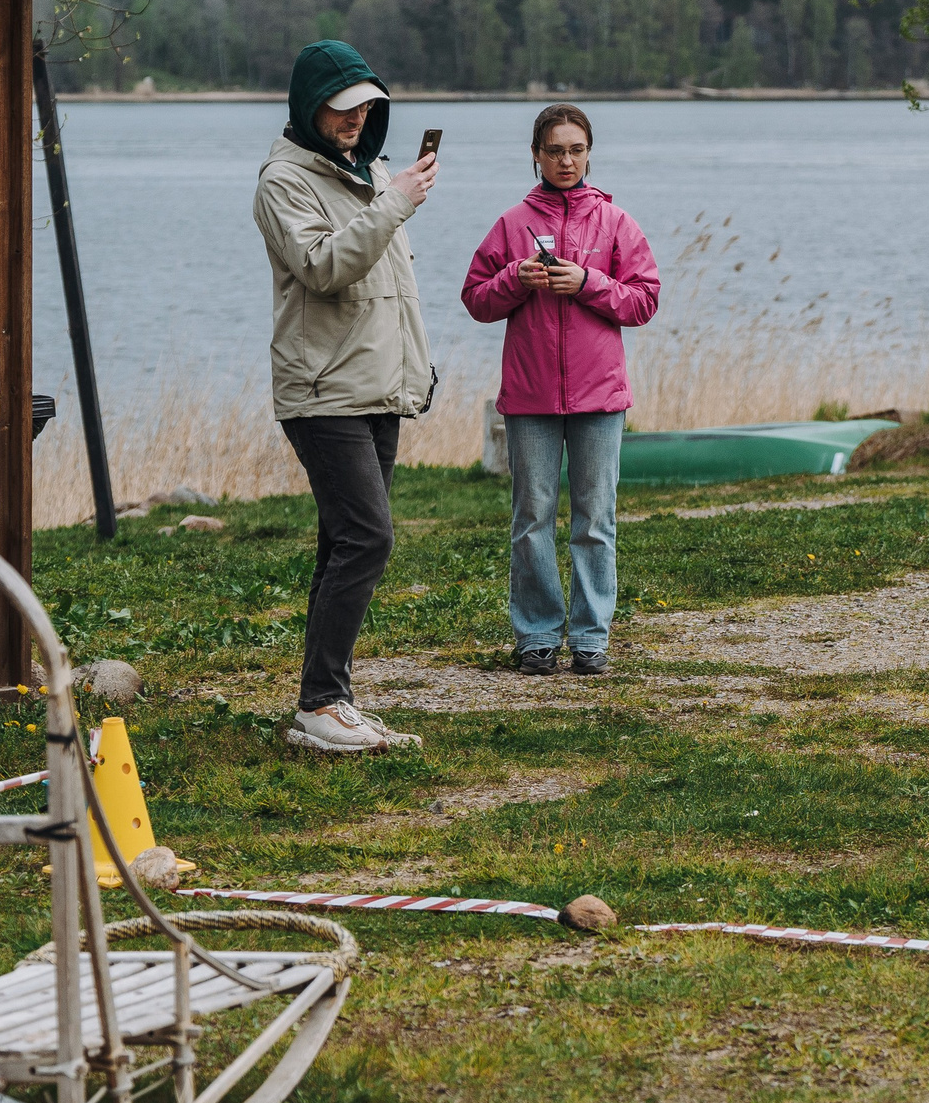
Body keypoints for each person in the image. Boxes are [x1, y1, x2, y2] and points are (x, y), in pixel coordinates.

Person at [254, 40, 439, 754]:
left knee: (342, 543)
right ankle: (321, 702)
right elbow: (325, 268)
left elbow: (391, 295)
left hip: (377, 388)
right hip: (323, 391)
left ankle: (328, 701)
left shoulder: (371, 173)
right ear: (310, 108)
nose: (356, 119)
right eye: (341, 108)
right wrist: (394, 204)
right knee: (369, 536)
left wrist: (415, 374)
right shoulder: (283, 183)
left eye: (366, 106)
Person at [460, 103, 660, 676]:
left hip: (600, 397)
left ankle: (592, 639)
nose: (566, 160)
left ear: (589, 153)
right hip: (530, 397)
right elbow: (476, 300)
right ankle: (538, 637)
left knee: (595, 520)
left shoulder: (616, 223)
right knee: (532, 518)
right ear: (536, 155)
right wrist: (512, 280)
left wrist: (588, 282)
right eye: (555, 150)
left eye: (575, 149)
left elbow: (644, 299)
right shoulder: (511, 223)